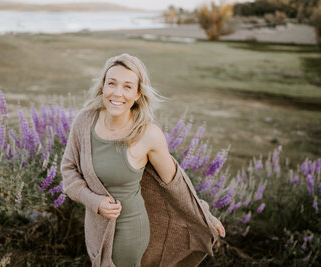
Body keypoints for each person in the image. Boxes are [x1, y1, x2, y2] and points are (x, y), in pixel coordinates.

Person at [60, 53, 225, 267]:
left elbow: (176, 185)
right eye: (112, 83)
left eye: (128, 86)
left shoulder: (148, 135)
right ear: (102, 86)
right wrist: (94, 201)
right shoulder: (84, 122)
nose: (117, 93)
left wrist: (204, 214)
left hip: (128, 232)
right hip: (95, 229)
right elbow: (68, 171)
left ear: (138, 93)